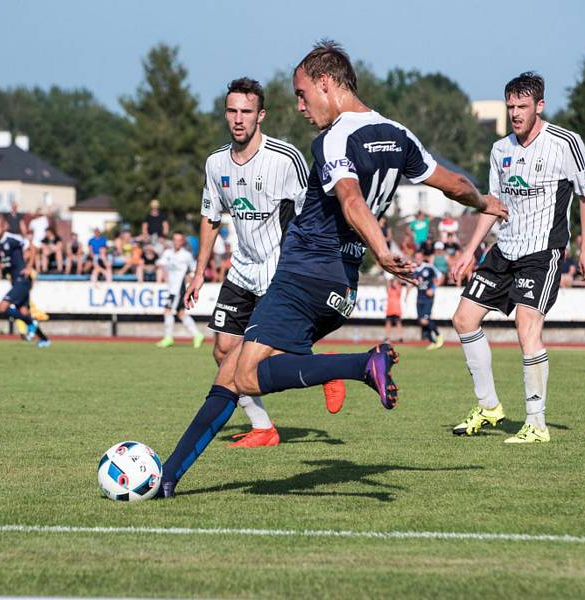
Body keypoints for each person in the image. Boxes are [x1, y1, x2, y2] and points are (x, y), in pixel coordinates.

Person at [159, 41, 507, 497]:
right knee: (232, 370)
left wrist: (381, 248)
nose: (300, 106)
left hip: (304, 272)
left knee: (243, 374)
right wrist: (484, 202)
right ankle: (168, 476)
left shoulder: (334, 138)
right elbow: (455, 184)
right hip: (341, 288)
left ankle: (363, 364)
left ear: (327, 83)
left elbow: (349, 198)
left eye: (302, 94)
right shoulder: (398, 134)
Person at [450, 71, 585, 444]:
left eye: (522, 106)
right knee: (464, 319)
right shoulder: (501, 149)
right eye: (510, 106)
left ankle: (536, 423)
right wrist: (469, 251)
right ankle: (489, 407)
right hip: (505, 248)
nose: (515, 113)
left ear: (539, 105)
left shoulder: (565, 142)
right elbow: (493, 205)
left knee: (526, 327)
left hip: (542, 251)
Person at [181, 76, 315, 448]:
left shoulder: (285, 159)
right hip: (242, 267)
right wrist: (198, 275)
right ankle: (263, 428)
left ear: (261, 116)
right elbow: (211, 218)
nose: (238, 119)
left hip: (279, 268)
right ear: (225, 114)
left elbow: (310, 214)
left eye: (246, 111)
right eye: (232, 111)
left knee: (271, 352)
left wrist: (309, 264)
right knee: (223, 349)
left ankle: (327, 369)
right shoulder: (214, 163)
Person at [0, 216, 50, 348]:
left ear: (4, 226)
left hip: (22, 280)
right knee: (23, 312)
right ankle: (44, 339)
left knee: (2, 307)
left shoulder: (12, 239)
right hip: (15, 281)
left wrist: (29, 266)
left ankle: (31, 323)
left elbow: (33, 247)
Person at [155, 232, 204, 349]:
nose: (176, 242)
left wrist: (191, 282)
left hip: (178, 288)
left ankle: (168, 337)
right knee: (181, 313)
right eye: (174, 239)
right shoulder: (168, 253)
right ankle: (197, 335)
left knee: (168, 310)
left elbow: (193, 269)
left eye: (179, 240)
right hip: (171, 287)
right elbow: (159, 263)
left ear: (182, 242)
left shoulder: (186, 255)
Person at [413, 250, 444, 349]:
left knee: (425, 320)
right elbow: (411, 282)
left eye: (419, 257)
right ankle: (433, 341)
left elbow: (441, 276)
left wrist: (433, 289)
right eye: (416, 258)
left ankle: (439, 336)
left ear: (422, 258)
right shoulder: (414, 269)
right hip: (419, 297)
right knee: (421, 320)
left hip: (428, 298)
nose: (417, 259)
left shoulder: (429, 267)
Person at [384, 277, 404, 343]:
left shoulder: (399, 287)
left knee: (398, 322)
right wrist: (390, 281)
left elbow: (399, 290)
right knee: (388, 322)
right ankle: (387, 337)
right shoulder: (390, 288)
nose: (393, 283)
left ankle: (400, 337)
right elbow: (387, 286)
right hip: (390, 308)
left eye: (395, 282)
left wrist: (396, 283)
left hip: (396, 308)